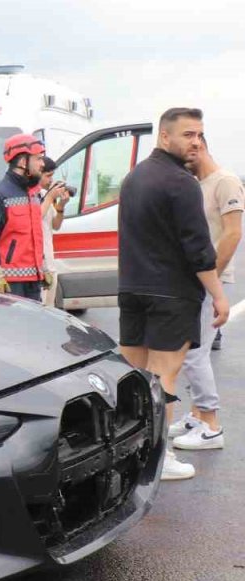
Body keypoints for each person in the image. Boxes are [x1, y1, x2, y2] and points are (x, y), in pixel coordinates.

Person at [117, 107, 228, 481]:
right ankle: (158, 459)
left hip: (132, 289)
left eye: (199, 134)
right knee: (163, 378)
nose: (195, 142)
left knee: (134, 376)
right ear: (165, 137)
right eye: (187, 135)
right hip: (171, 295)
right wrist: (218, 294)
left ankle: (127, 454)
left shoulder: (133, 178)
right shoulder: (181, 183)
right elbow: (198, 249)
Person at [170, 136, 243, 451]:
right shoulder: (197, 184)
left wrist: (210, 279)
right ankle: (197, 415)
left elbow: (233, 232)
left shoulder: (225, 182)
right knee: (191, 352)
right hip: (193, 279)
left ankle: (211, 426)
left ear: (199, 148)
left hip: (208, 278)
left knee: (195, 354)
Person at [0, 133, 50, 301]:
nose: (42, 164)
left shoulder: (33, 194)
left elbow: (34, 237)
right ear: (23, 162)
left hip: (32, 280)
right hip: (8, 282)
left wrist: (42, 267)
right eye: (38, 159)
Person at [38, 156, 72, 308]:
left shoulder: (47, 197)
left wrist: (62, 205)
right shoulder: (34, 196)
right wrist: (50, 196)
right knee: (41, 307)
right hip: (40, 264)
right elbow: (35, 219)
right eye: (48, 176)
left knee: (50, 308)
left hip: (50, 263)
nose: (51, 181)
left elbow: (55, 225)